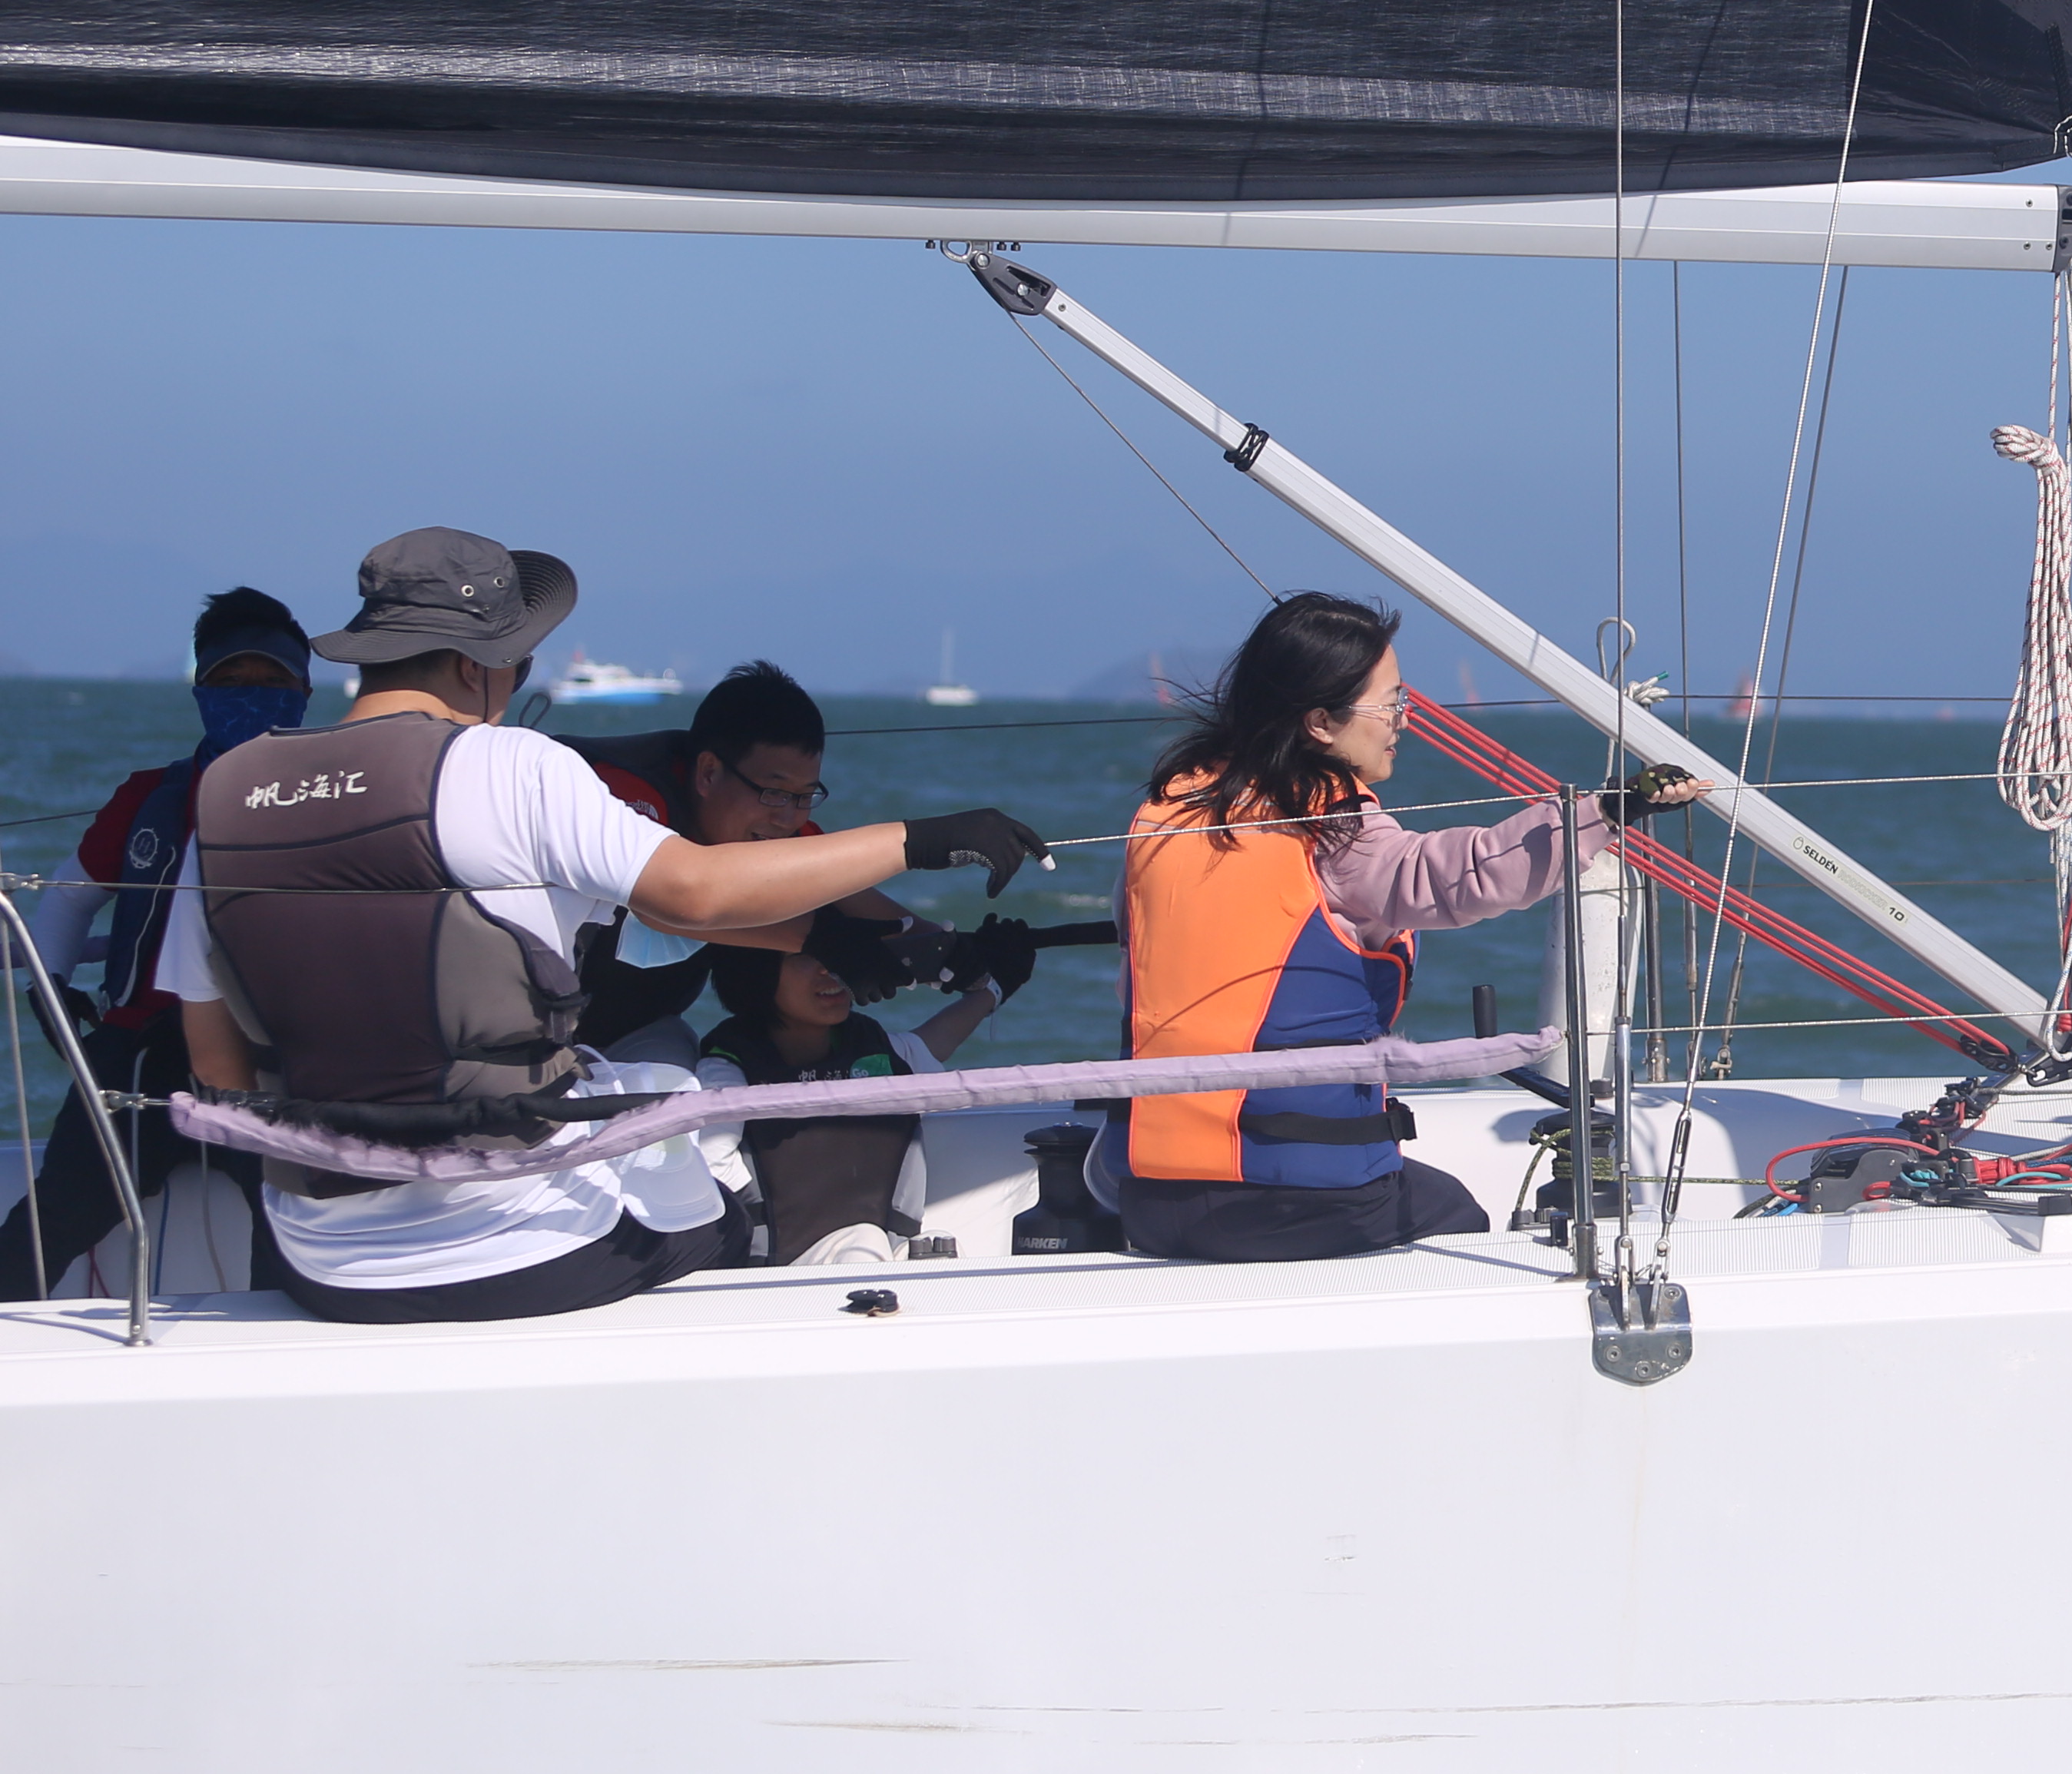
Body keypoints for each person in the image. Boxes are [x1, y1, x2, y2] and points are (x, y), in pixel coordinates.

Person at [159, 529, 1050, 1323]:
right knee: (720, 1217)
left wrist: (839, 940)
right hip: (503, 1242)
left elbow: (216, 1065)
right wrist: (916, 839)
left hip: (317, 1257)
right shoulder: (511, 765)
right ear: (475, 665)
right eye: (518, 663)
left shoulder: (227, 795)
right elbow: (694, 894)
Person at [1109, 591, 1696, 1264]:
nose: (1403, 720)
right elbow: (1454, 875)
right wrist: (1607, 812)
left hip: (1152, 1195)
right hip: (1296, 1197)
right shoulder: (1336, 832)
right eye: (1391, 704)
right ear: (1320, 722)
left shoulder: (1172, 814)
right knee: (1460, 1215)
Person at [10, 587, 315, 1299]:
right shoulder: (150, 798)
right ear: (200, 691)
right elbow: (69, 897)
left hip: (273, 1056)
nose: (251, 696)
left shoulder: (339, 800)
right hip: (140, 1051)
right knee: (59, 1211)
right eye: (231, 681)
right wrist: (50, 989)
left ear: (304, 691)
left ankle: (273, 1348)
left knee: (292, 1224)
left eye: (271, 681)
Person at [570, 661, 957, 1066]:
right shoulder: (620, 796)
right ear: (708, 773)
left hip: (641, 1032)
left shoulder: (784, 824)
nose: (787, 818)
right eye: (774, 792)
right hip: (538, 1028)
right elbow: (662, 905)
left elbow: (867, 907)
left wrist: (958, 954)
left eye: (805, 796)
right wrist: (822, 938)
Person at [691, 930, 1020, 1267]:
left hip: (878, 1257)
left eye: (836, 952)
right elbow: (712, 1168)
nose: (830, 967)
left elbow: (933, 1043)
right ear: (752, 973)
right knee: (864, 1241)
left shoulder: (872, 1048)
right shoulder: (726, 1071)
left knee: (938, 1251)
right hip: (776, 1273)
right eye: (804, 956)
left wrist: (993, 989)